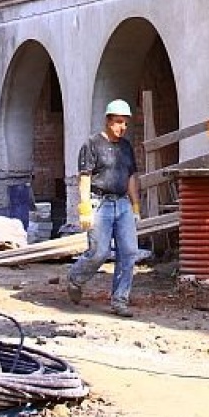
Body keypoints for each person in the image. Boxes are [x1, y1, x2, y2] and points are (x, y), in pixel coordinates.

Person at [67, 99, 141, 317]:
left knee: (129, 252)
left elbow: (131, 178)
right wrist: (84, 209)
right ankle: (76, 278)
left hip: (122, 203)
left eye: (125, 123)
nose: (122, 127)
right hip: (99, 203)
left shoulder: (126, 147)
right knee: (99, 252)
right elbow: (84, 177)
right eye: (118, 122)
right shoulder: (92, 144)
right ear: (108, 121)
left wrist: (135, 206)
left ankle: (120, 300)